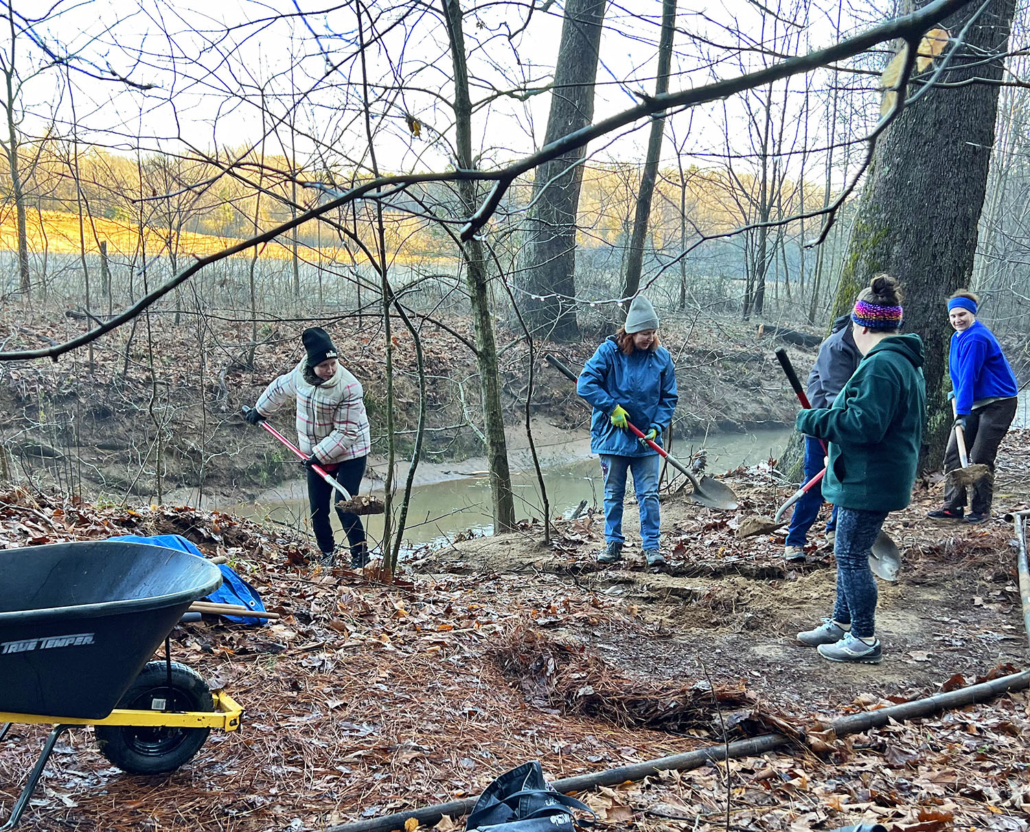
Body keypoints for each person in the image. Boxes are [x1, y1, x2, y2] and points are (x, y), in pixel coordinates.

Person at [794, 276, 926, 664]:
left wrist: (813, 421)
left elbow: (863, 425)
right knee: (846, 550)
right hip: (868, 473)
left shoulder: (882, 366)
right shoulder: (897, 360)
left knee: (850, 554)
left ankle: (864, 639)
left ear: (863, 325)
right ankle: (839, 622)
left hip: (870, 479)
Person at [245, 327, 372, 568]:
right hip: (314, 453)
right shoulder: (299, 376)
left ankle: (361, 556)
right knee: (318, 510)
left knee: (343, 504)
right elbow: (279, 388)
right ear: (312, 365)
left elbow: (346, 432)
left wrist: (318, 456)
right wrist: (260, 411)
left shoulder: (349, 387)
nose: (330, 370)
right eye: (324, 365)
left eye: (334, 363)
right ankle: (328, 554)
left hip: (350, 452)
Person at [577, 296, 678, 568]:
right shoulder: (609, 353)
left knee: (648, 494)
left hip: (646, 440)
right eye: (645, 333)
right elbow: (585, 384)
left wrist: (657, 426)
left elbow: (668, 398)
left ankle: (652, 547)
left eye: (653, 333)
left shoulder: (661, 358)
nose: (650, 338)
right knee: (613, 493)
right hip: (613, 438)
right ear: (631, 331)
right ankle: (613, 544)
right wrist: (611, 408)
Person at [927, 290, 1018, 524]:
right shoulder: (957, 337)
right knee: (953, 454)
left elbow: (969, 375)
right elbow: (959, 375)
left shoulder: (976, 338)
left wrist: (962, 412)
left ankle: (981, 510)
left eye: (962, 314)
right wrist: (957, 395)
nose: (957, 320)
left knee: (979, 457)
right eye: (953, 316)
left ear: (972, 314)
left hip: (998, 402)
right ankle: (953, 506)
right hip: (974, 401)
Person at [784, 314, 861, 562]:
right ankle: (794, 541)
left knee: (845, 479)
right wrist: (848, 425)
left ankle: (835, 530)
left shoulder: (867, 345)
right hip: (824, 424)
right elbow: (835, 394)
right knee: (814, 483)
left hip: (846, 423)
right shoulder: (836, 346)